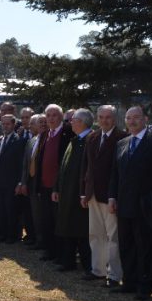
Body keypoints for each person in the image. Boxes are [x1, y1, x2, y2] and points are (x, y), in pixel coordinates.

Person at [108, 106, 152, 300]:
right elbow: (115, 174)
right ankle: (129, 281)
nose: (132, 121)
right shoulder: (122, 143)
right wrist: (112, 197)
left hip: (146, 205)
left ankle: (145, 285)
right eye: (128, 118)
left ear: (145, 119)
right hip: (124, 204)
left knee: (144, 246)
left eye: (136, 117)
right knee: (126, 244)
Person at [80, 105, 127, 287]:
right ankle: (97, 270)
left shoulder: (122, 138)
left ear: (114, 119)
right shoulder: (92, 137)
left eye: (108, 117)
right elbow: (87, 167)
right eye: (101, 117)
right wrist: (84, 192)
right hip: (92, 194)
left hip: (110, 196)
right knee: (95, 234)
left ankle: (114, 275)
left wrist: (114, 196)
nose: (104, 120)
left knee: (113, 237)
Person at [53, 109, 93, 271]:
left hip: (80, 193)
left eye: (73, 120)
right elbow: (63, 167)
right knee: (68, 226)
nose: (70, 123)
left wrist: (84, 192)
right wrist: (57, 188)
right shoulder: (74, 140)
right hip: (67, 192)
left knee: (81, 230)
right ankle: (67, 260)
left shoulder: (91, 140)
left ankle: (88, 265)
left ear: (82, 122)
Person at [35, 104, 74, 262]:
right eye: (48, 115)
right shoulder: (45, 135)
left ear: (61, 116)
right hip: (45, 185)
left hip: (59, 187)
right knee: (47, 220)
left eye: (54, 115)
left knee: (61, 222)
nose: (51, 118)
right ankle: (49, 251)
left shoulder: (67, 134)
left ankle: (62, 255)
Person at [0, 115, 26, 243]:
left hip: (12, 183)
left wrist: (19, 183)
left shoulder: (19, 141)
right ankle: (2, 233)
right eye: (3, 124)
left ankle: (12, 235)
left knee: (11, 210)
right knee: (0, 209)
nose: (5, 126)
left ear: (13, 125)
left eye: (7, 124)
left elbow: (21, 164)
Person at [18, 114, 46, 247]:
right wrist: (23, 182)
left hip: (41, 184)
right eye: (38, 123)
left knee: (42, 215)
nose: (31, 126)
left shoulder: (47, 140)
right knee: (33, 214)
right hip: (30, 183)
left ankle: (42, 241)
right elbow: (25, 165)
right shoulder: (31, 141)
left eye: (41, 123)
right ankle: (35, 238)